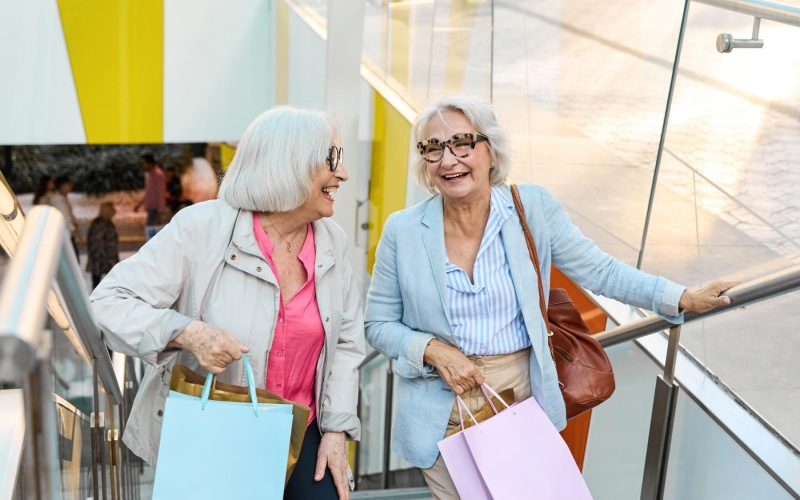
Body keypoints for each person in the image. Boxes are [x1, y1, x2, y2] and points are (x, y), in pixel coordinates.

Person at [363, 93, 738, 500]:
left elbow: (600, 270)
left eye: (462, 144)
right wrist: (434, 350)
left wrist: (680, 296)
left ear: (491, 149)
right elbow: (377, 324)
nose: (449, 160)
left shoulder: (532, 208)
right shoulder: (403, 231)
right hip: (441, 412)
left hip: (520, 401)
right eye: (434, 149)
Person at [90, 106, 364, 500]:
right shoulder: (201, 228)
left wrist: (336, 429)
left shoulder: (332, 239)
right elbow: (107, 303)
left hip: (305, 438)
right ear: (289, 163)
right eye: (331, 159)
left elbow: (345, 344)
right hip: (220, 438)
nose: (343, 174)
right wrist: (186, 333)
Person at [86, 202, 119, 289]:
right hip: (102, 257)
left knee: (99, 282)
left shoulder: (103, 223)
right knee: (102, 282)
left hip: (101, 257)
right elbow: (100, 242)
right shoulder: (102, 224)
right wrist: (111, 258)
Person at [48, 175, 83, 259]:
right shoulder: (58, 200)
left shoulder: (61, 198)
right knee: (72, 258)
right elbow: (66, 218)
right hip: (65, 235)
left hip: (65, 234)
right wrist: (76, 233)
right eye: (69, 184)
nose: (71, 186)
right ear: (62, 186)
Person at [133, 153, 166, 226]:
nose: (143, 165)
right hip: (150, 209)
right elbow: (147, 192)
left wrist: (160, 212)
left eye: (144, 163)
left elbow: (161, 193)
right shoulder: (148, 175)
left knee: (151, 231)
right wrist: (139, 204)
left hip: (156, 209)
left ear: (150, 163)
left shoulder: (158, 174)